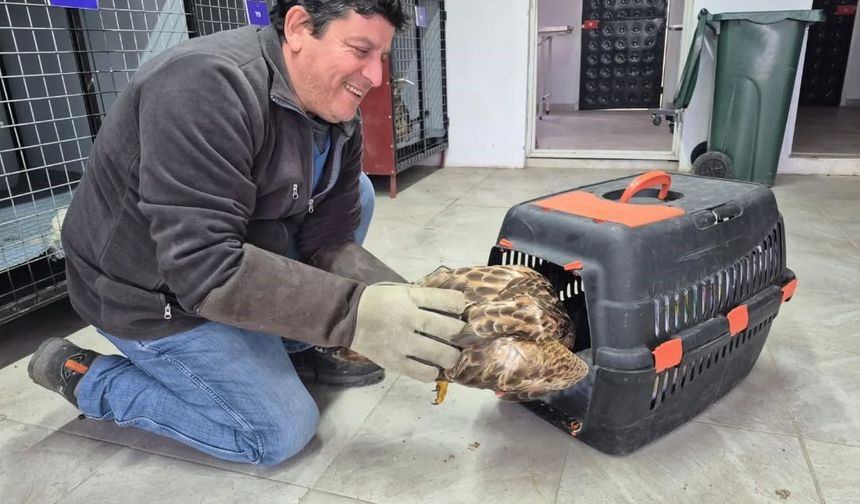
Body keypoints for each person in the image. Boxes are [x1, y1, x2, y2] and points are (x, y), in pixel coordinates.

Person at [27, 0, 467, 466]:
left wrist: (410, 305)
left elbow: (330, 240)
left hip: (235, 257)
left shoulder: (335, 111)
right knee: (280, 431)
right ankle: (85, 375)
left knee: (356, 191)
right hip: (151, 295)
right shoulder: (203, 86)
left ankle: (301, 345)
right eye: (360, 49)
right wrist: (355, 315)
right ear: (298, 27)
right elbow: (204, 267)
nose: (375, 77)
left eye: (380, 57)